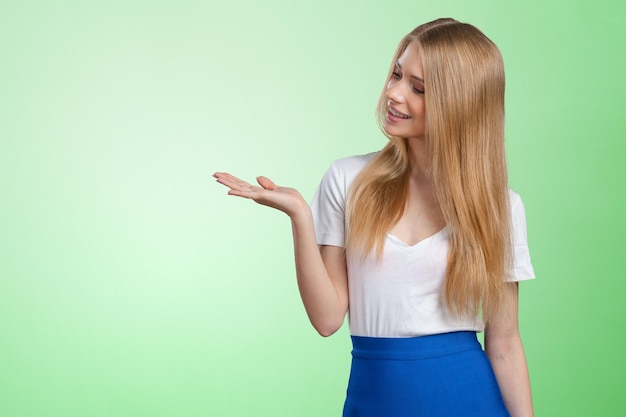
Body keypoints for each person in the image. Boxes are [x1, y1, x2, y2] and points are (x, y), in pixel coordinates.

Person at [214, 17, 535, 417]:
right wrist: (300, 215)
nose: (393, 93)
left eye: (417, 88)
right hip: (375, 398)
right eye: (396, 74)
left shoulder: (500, 207)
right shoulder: (348, 180)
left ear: (459, 103)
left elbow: (504, 344)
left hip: (470, 399)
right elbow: (327, 318)